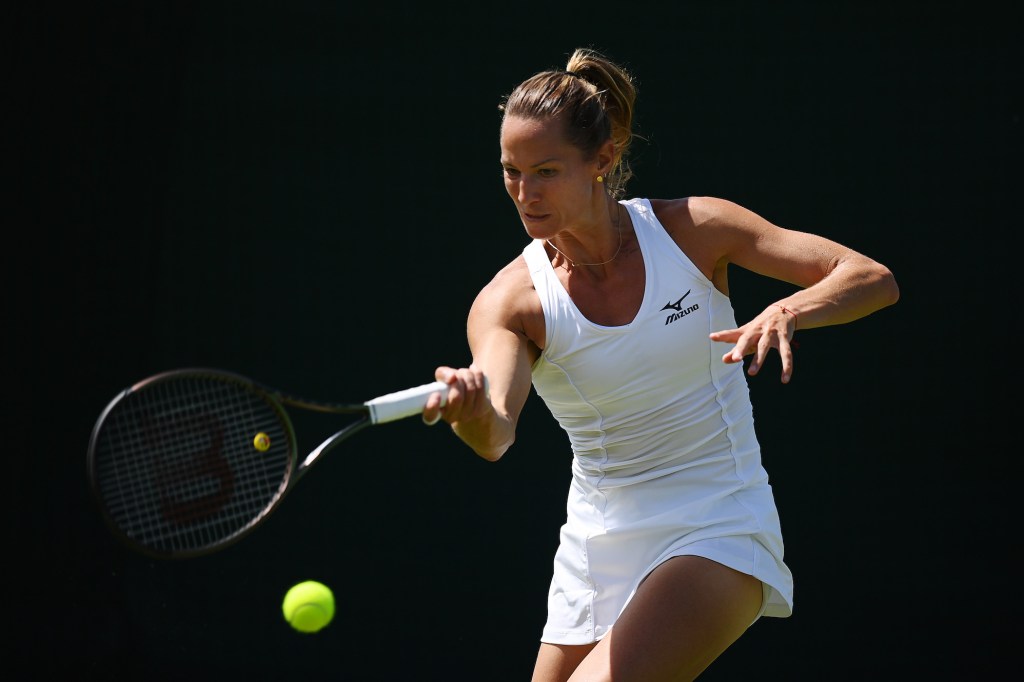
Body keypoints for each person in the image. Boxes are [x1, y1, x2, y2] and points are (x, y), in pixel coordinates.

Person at [421, 47, 899, 682]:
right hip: (598, 545)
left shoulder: (696, 228)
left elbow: (870, 278)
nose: (524, 193)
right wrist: (471, 409)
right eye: (510, 171)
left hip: (718, 521)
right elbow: (496, 434)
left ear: (603, 160)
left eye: (545, 171)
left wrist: (790, 309)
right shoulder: (511, 303)